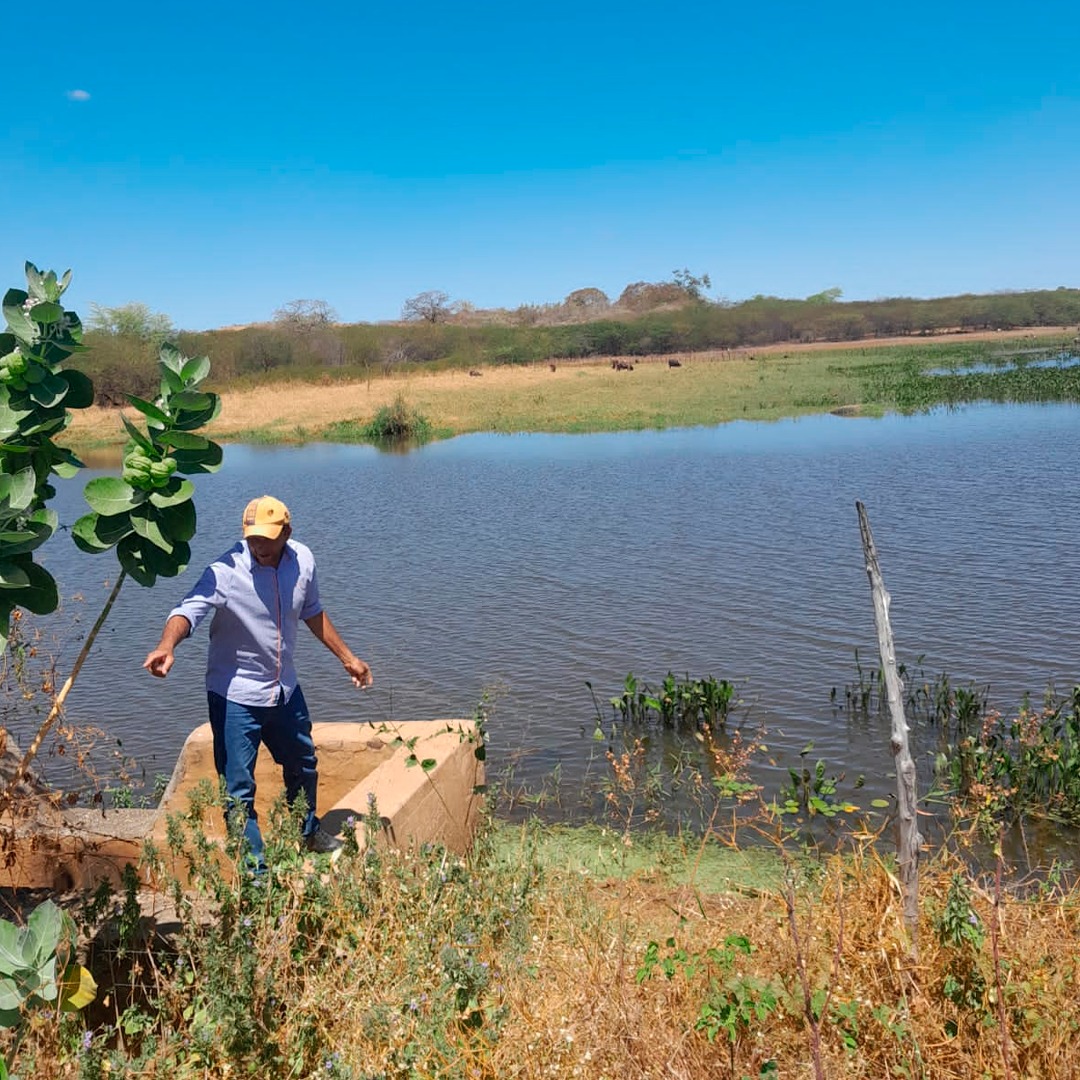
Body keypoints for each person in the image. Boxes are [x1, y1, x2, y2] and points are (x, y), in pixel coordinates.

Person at [143, 494, 373, 866]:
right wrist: (167, 645)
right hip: (235, 695)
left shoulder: (303, 560)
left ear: (286, 533)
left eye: (266, 538)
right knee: (238, 788)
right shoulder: (225, 571)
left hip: (284, 690)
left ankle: (307, 833)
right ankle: (255, 874)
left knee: (303, 763)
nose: (259, 545)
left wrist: (349, 659)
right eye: (252, 538)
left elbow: (312, 611)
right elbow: (187, 610)